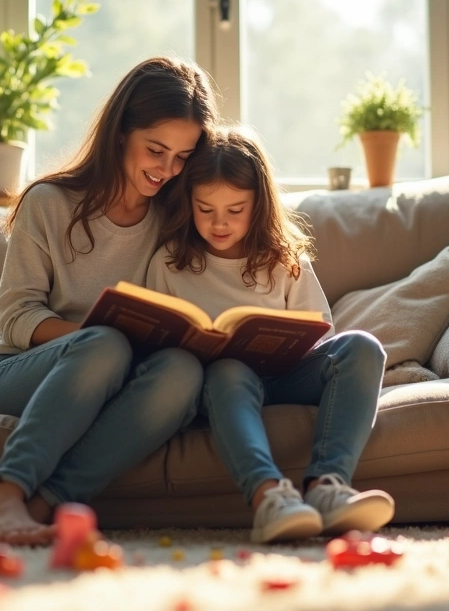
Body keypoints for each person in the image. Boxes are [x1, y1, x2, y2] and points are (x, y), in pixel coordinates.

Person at [0, 57, 220, 546]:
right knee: (107, 344)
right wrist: (98, 338)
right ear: (120, 133)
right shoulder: (49, 202)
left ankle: (40, 504)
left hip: (121, 370)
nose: (167, 169)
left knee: (183, 371)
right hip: (16, 370)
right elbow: (16, 317)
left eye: (182, 157)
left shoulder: (174, 218)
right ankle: (2, 493)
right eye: (156, 150)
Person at [146, 126, 395, 544]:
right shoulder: (169, 262)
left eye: (235, 209)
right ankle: (270, 499)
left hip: (287, 375)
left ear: (259, 203)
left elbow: (320, 332)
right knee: (229, 369)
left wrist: (290, 347)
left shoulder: (282, 259)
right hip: (222, 386)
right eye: (205, 209)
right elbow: (153, 340)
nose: (219, 223)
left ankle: (327, 488)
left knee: (362, 347)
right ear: (188, 202)